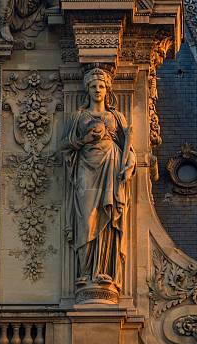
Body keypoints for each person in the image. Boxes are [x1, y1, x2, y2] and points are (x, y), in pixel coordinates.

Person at [61, 67, 136, 289]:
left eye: (101, 86)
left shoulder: (116, 116)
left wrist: (129, 164)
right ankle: (85, 273)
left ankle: (103, 271)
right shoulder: (78, 117)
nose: (97, 90)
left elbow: (128, 148)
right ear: (87, 89)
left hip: (111, 165)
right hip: (85, 167)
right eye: (93, 86)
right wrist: (84, 140)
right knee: (86, 218)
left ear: (107, 89)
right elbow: (65, 146)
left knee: (107, 214)